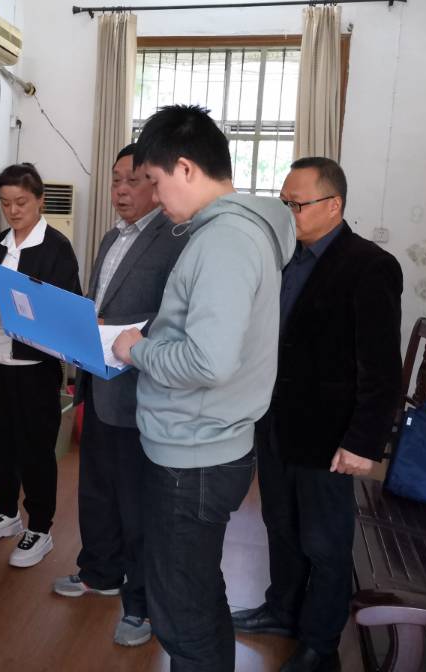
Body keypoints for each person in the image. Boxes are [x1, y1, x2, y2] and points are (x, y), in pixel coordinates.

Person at [112, 104, 296, 671]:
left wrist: (137, 350)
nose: (155, 196)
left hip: (193, 455)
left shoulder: (225, 241)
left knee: (182, 616)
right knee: (196, 592)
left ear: (187, 168)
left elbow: (209, 360)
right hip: (206, 444)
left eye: (156, 180)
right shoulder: (239, 231)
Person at [230, 157, 403, 672]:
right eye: (283, 202)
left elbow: (381, 368)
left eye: (297, 204)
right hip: (277, 422)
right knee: (280, 525)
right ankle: (282, 610)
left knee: (325, 543)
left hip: (329, 434)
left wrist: (363, 442)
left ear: (334, 205)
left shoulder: (369, 265)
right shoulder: (288, 258)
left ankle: (320, 642)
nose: (289, 212)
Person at [52, 143, 187, 647]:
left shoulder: (177, 239)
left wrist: (118, 326)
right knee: (96, 491)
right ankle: (100, 572)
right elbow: (97, 303)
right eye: (115, 180)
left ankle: (142, 604)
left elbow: (176, 316)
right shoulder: (111, 236)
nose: (121, 190)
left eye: (132, 180)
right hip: (99, 381)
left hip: (140, 391)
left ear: (157, 182)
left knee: (137, 506)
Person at [0, 162, 81, 568]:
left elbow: (64, 312)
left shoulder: (57, 248)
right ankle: (6, 513)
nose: (12, 211)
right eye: (5, 203)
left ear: (40, 200)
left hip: (34, 365)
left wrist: (9, 307)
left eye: (21, 202)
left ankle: (40, 528)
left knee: (35, 448)